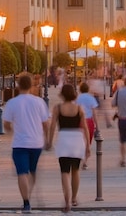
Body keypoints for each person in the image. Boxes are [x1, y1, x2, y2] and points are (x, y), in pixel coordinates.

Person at [2, 73, 51, 213]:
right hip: (36, 143)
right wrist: (47, 139)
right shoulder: (39, 102)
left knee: (22, 173)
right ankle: (28, 194)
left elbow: (6, 124)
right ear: (31, 86)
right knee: (32, 171)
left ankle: (26, 202)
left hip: (20, 143)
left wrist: (11, 131)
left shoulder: (12, 103)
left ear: (18, 86)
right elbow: (46, 123)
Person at [46, 84, 90, 213]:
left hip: (64, 138)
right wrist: (87, 145)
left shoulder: (58, 108)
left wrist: (49, 141)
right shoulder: (79, 108)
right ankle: (74, 198)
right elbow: (85, 127)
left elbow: (53, 125)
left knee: (64, 171)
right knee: (75, 170)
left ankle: (67, 200)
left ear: (62, 94)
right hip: (77, 139)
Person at [76, 82, 100, 169]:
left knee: (80, 140)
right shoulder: (91, 98)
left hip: (79, 121)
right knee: (88, 141)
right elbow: (94, 113)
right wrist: (97, 126)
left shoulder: (77, 98)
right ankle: (85, 161)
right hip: (89, 121)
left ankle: (80, 158)